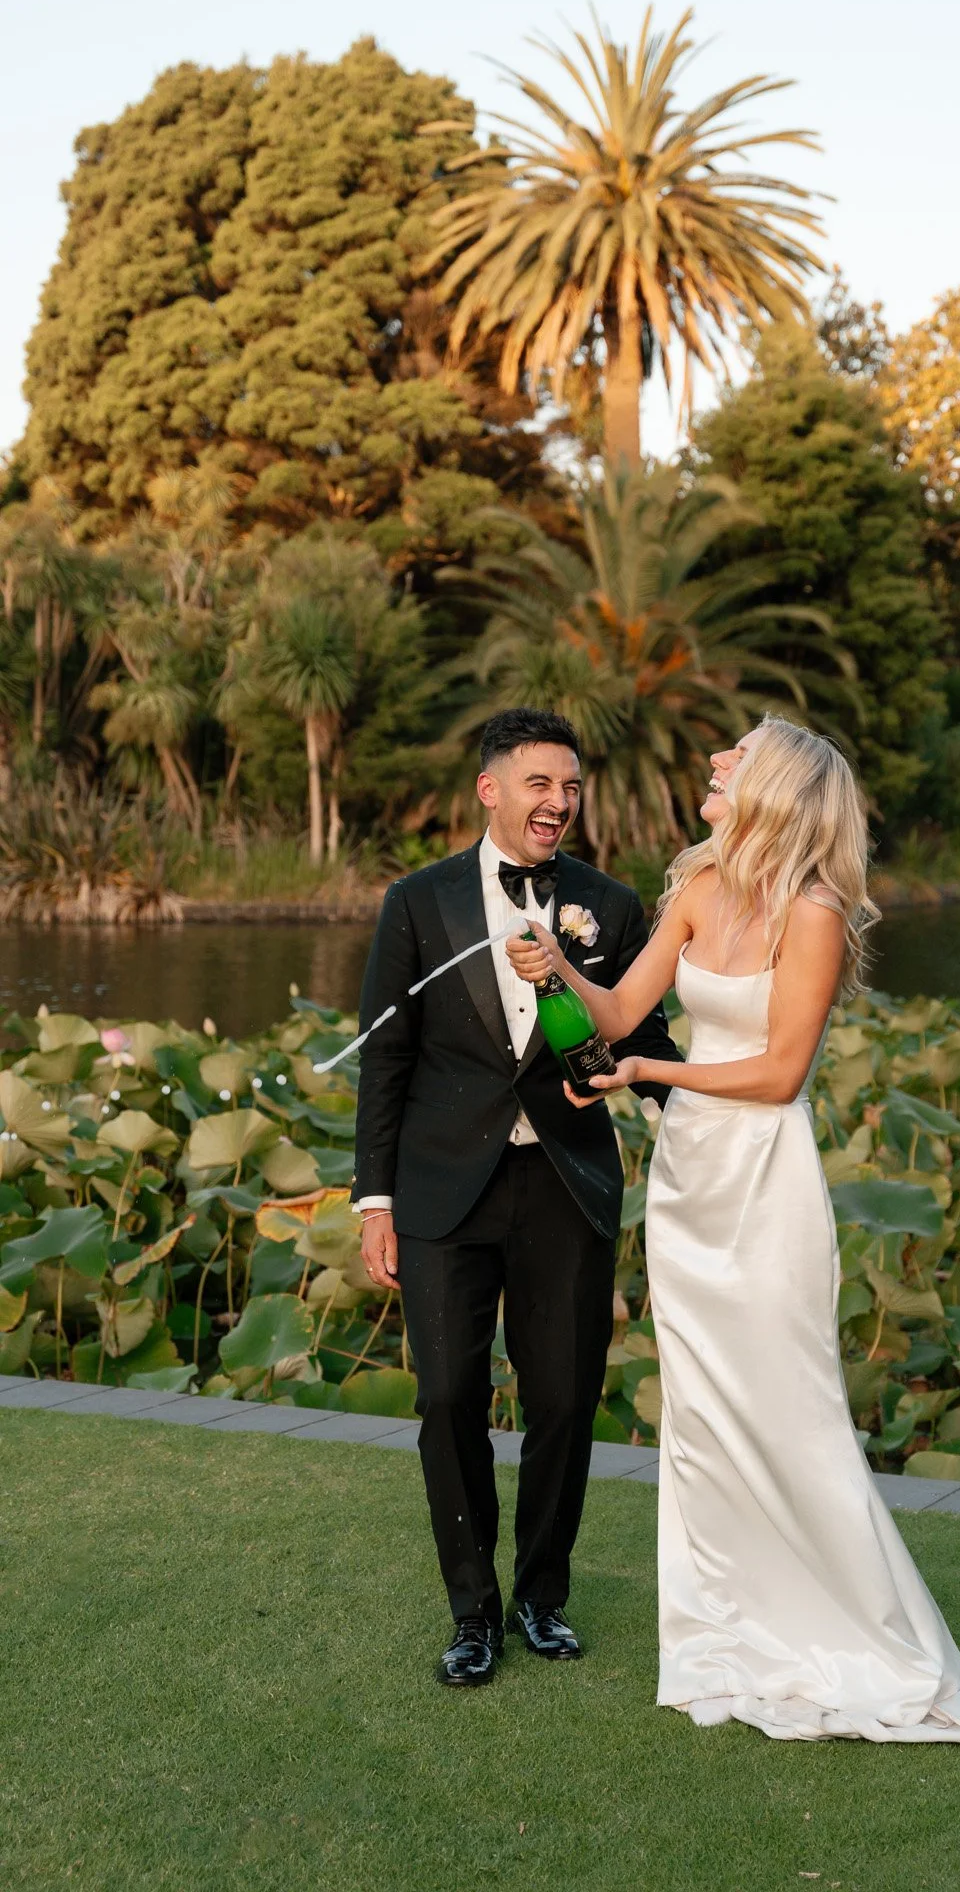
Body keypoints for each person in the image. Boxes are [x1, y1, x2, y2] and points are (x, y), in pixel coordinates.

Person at [508, 716, 960, 1743]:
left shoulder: (815, 912)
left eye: (735, 756)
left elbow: (778, 1072)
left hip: (764, 1174)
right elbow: (620, 1013)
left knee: (791, 1405)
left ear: (779, 786)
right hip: (690, 1182)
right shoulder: (699, 890)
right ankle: (728, 1635)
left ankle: (869, 1640)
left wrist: (655, 1073)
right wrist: (557, 974)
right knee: (705, 1413)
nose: (714, 763)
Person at [353, 707, 680, 1689]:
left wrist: (715, 1113)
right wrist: (375, 1200)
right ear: (490, 788)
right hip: (442, 1187)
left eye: (571, 785)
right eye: (540, 783)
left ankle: (541, 1595)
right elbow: (387, 1058)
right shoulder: (417, 902)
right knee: (448, 1392)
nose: (559, 802)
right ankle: (472, 1613)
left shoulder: (609, 906)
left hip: (565, 1182)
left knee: (566, 1397)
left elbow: (634, 1043)